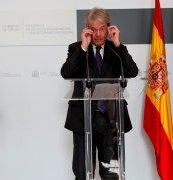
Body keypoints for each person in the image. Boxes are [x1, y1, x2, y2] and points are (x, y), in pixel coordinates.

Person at [60, 7, 138, 180]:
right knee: (82, 171)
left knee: (110, 172)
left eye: (101, 29)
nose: (97, 34)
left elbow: (132, 71)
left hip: (110, 118)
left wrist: (118, 43)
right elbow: (66, 73)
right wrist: (83, 47)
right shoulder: (77, 49)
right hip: (83, 118)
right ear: (87, 29)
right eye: (93, 29)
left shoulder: (115, 50)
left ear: (109, 28)